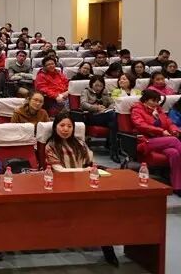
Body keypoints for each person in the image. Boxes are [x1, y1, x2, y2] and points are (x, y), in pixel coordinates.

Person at [44, 114, 120, 266]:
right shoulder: (50, 146)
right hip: (61, 188)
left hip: (84, 185)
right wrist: (84, 171)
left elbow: (90, 164)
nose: (65, 129)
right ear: (55, 127)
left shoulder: (80, 143)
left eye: (69, 126)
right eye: (62, 125)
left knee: (102, 211)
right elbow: (59, 171)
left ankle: (107, 246)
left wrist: (91, 170)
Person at [131, 90, 181, 195]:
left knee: (174, 153)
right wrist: (160, 131)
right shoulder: (137, 110)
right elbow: (141, 125)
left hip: (161, 141)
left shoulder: (158, 110)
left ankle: (177, 187)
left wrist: (175, 130)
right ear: (145, 100)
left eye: (157, 101)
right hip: (145, 141)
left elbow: (169, 123)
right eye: (153, 101)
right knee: (174, 140)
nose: (156, 103)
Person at [80, 76, 120, 162]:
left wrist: (106, 109)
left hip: (104, 115)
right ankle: (113, 149)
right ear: (91, 84)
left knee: (113, 122)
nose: (98, 88)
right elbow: (83, 104)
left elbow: (112, 103)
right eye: (96, 85)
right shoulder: (86, 91)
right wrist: (96, 108)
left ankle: (113, 150)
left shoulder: (105, 92)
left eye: (101, 86)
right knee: (113, 117)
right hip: (91, 117)